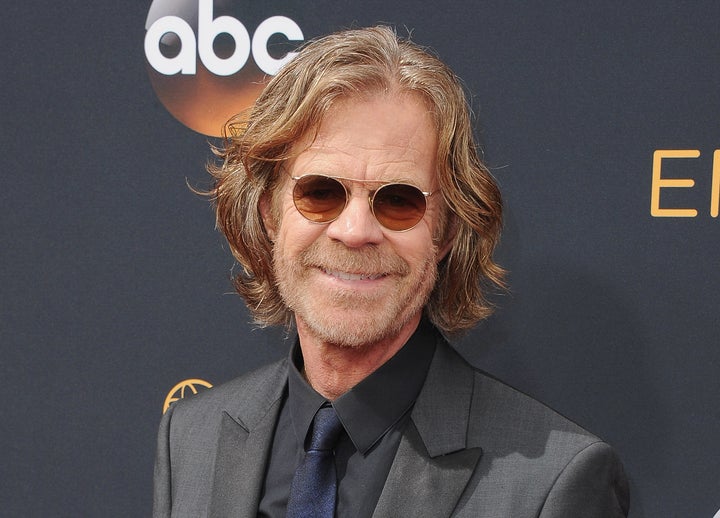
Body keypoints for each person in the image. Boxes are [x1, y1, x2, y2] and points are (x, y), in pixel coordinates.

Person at [153, 26, 629, 518]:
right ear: (270, 213)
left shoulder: (552, 484)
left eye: (399, 201)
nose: (355, 230)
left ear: (445, 233)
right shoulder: (191, 437)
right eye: (320, 192)